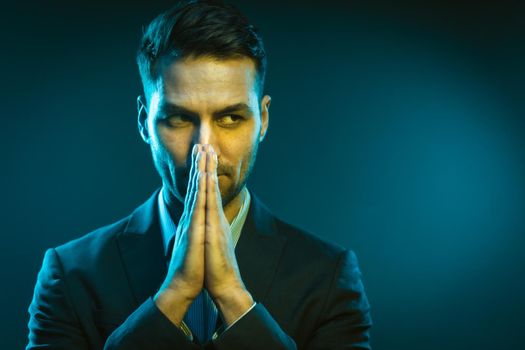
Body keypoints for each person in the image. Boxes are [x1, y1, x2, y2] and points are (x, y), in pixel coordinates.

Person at [26, 1, 372, 349]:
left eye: (231, 118)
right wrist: (174, 294)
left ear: (263, 120)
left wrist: (233, 296)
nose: (204, 148)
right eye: (178, 118)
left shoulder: (329, 277)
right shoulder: (71, 275)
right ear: (143, 121)